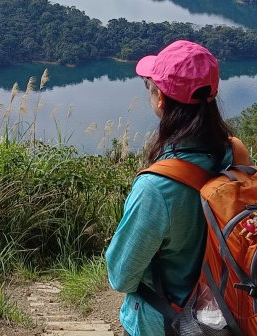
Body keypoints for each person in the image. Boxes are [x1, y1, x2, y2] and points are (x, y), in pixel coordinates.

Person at [105, 40, 237, 336]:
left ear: (161, 99)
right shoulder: (235, 155)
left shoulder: (157, 188)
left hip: (168, 324)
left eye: (150, 88)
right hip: (228, 315)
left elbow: (121, 276)